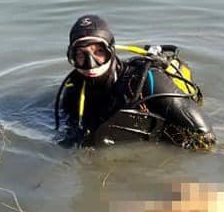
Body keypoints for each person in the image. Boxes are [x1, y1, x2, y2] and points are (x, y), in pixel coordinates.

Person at [54, 14, 215, 149]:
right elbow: (70, 132)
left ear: (111, 51)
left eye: (99, 52)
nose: (91, 64)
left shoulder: (146, 80)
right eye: (81, 55)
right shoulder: (74, 89)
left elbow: (206, 137)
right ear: (72, 57)